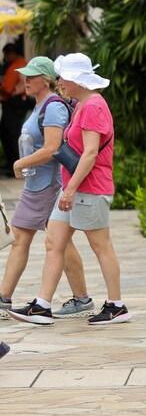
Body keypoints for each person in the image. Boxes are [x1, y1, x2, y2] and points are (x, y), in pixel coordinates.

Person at [9, 54, 125, 326]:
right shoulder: (83, 104)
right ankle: (42, 305)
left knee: (101, 245)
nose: (59, 81)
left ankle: (117, 305)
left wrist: (70, 189)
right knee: (54, 241)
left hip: (90, 188)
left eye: (62, 77)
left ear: (75, 79)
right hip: (75, 187)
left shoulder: (93, 106)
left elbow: (90, 153)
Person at [1, 56, 91, 317]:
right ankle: (4, 297)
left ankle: (81, 298)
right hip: (37, 185)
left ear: (45, 80)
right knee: (29, 238)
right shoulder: (41, 105)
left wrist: (20, 163)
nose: (25, 81)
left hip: (49, 185)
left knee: (53, 241)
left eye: (31, 77)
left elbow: (53, 149)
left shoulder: (52, 107)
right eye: (24, 76)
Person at [0, 41, 33, 176]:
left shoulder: (18, 65)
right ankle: (12, 163)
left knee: (12, 134)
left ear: (11, 54)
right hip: (12, 103)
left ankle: (16, 164)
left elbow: (9, 89)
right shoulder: (17, 64)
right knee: (6, 133)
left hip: (16, 104)